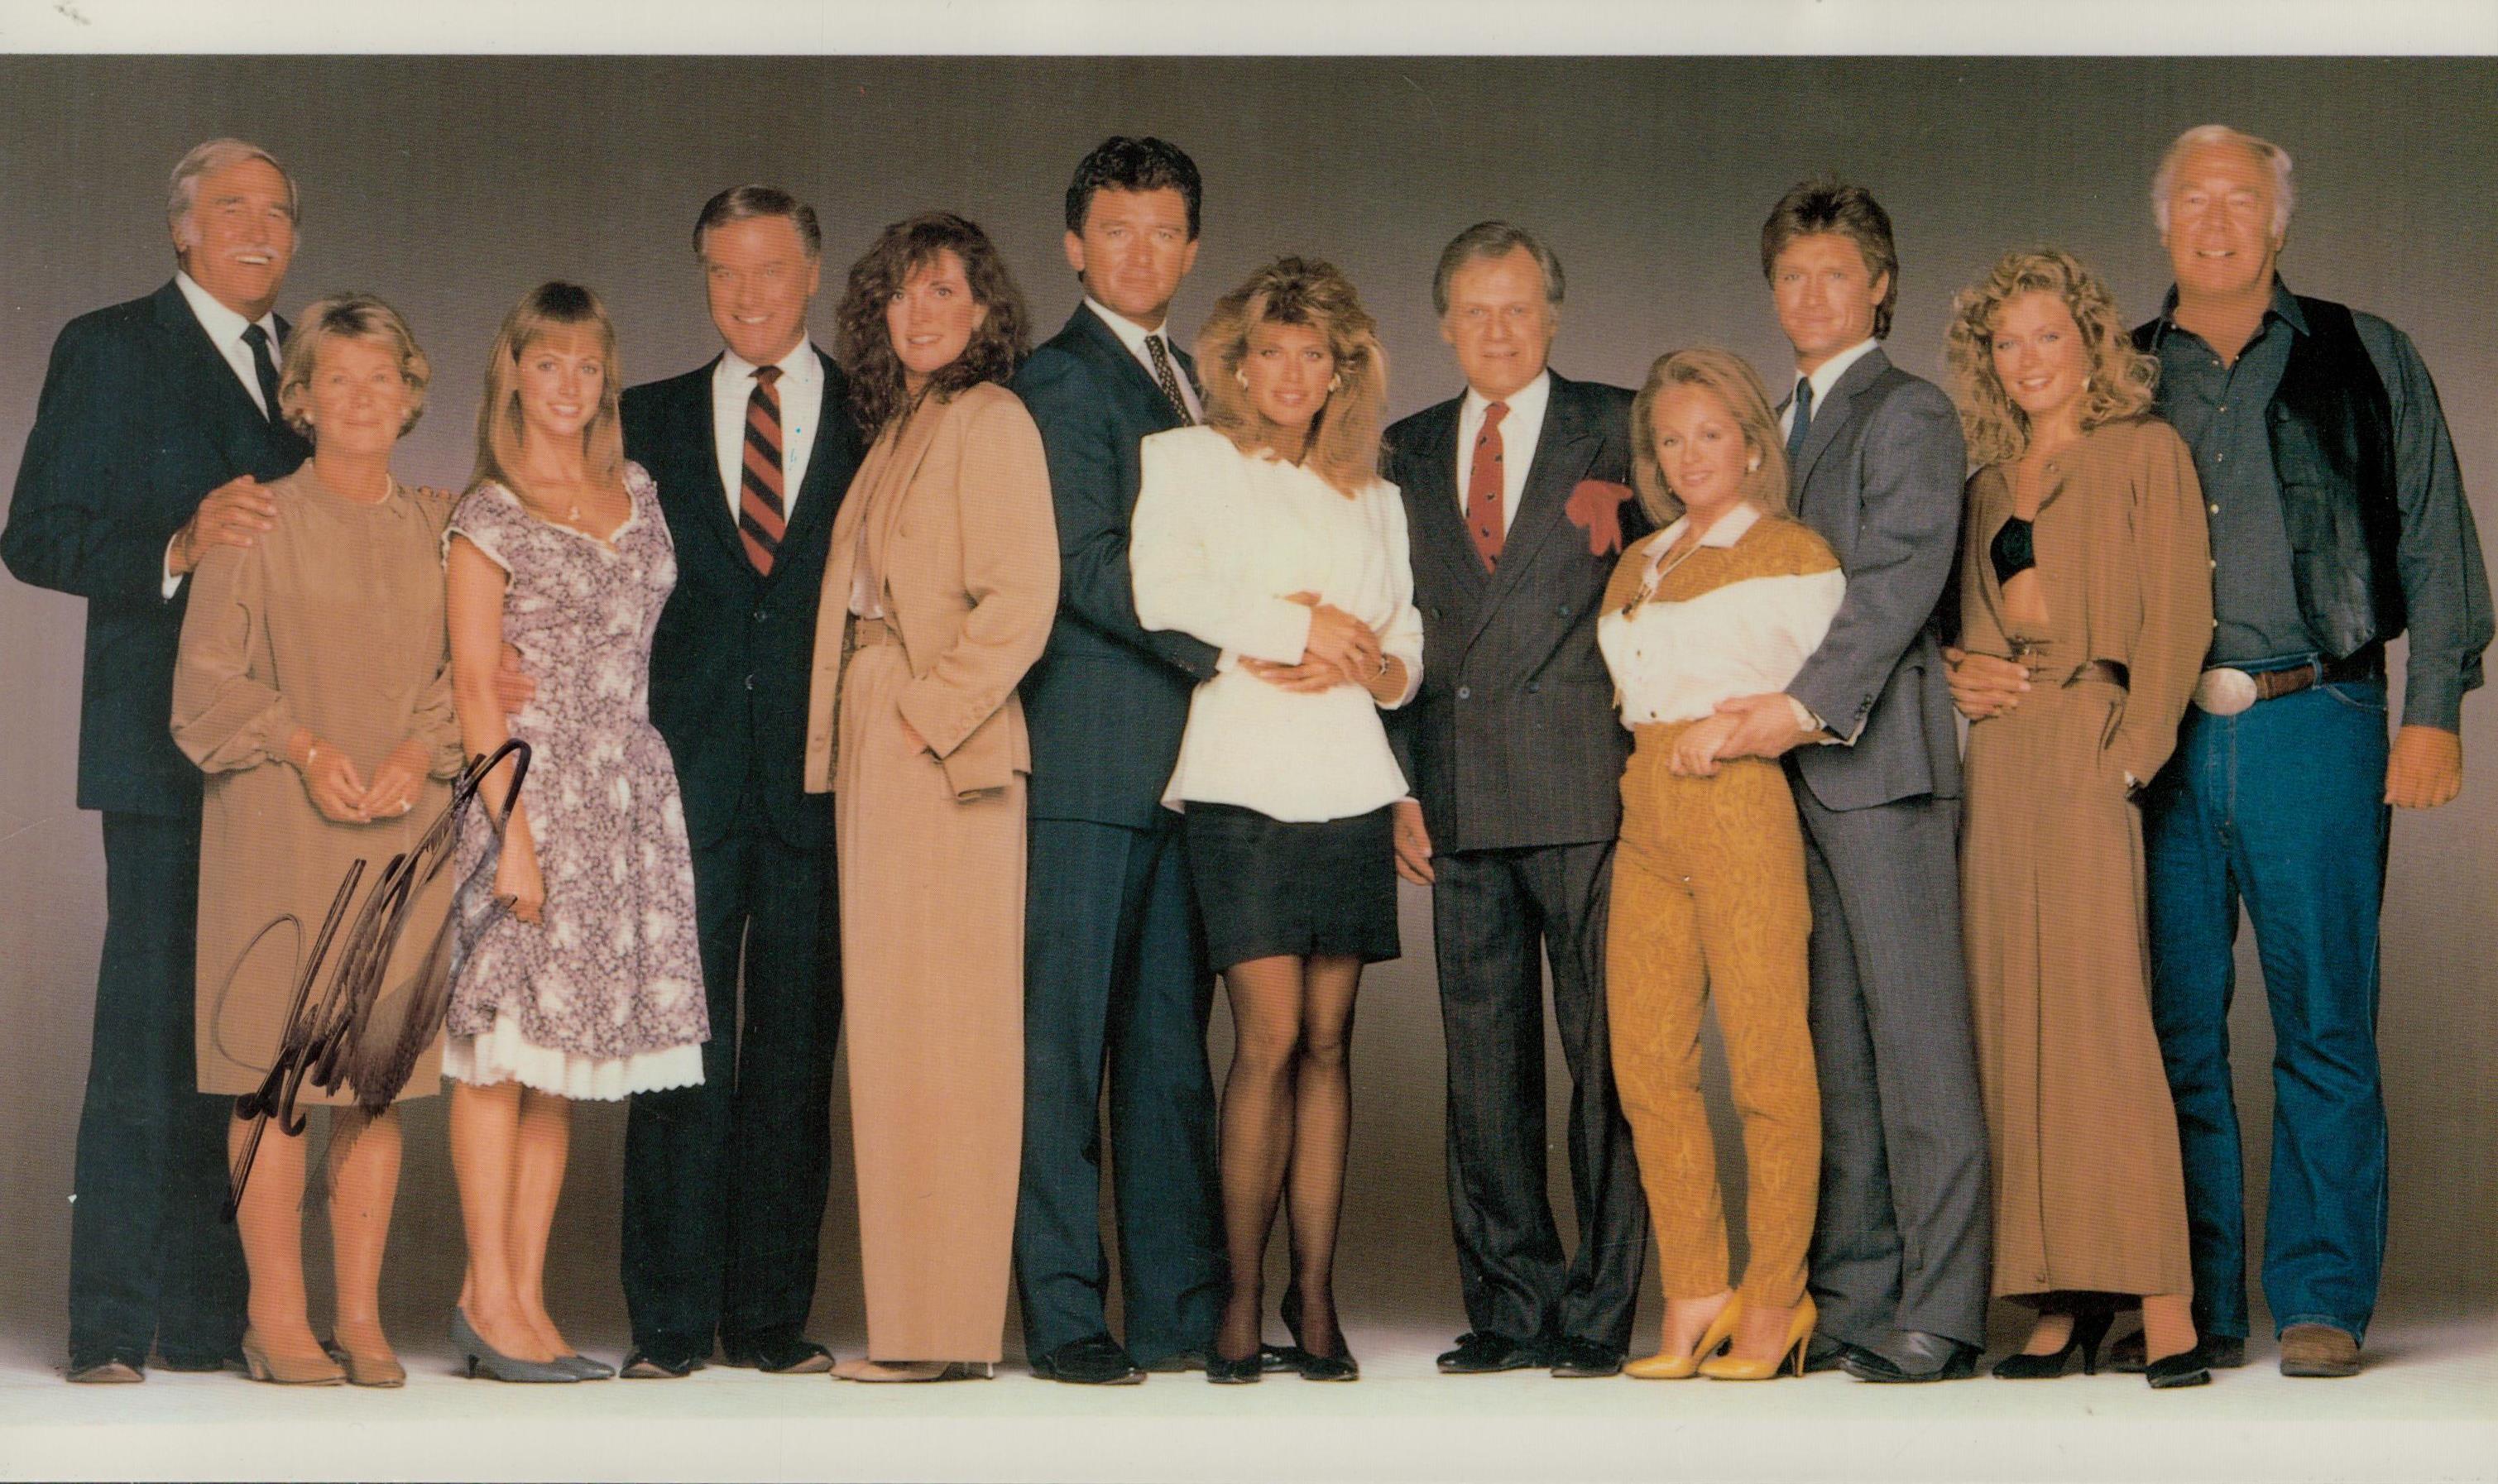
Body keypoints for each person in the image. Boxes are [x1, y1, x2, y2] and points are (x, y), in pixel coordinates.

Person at [1952, 125, 2491, 1380]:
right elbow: (2020, 540)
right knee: (2166, 1025)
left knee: (2322, 1019)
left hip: (2316, 717)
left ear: (2275, 220)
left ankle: (2314, 1297)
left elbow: (2434, 536)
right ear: (2160, 225)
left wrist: (2434, 705)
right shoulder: (2112, 375)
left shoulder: (2364, 355)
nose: (2213, 219)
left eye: (2237, 198)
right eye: (2190, 199)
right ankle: (2186, 1294)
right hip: (2152, 734)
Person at [2, 138, 308, 1383]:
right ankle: (112, 1328)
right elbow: (34, 535)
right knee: (144, 1037)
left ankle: (205, 1318)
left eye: (276, 210)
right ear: (179, 230)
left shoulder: (308, 362)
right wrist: (175, 538)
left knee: (244, 1041)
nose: (255, 226)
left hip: (284, 756)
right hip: (156, 751)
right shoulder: (108, 343)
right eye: (228, 207)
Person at [1705, 180, 1992, 1382]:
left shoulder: (1909, 412)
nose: (1808, 294)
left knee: (1920, 1048)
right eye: (1789, 275)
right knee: (1833, 1051)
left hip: (1875, 770)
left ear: (1877, 282)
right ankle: (1856, 1293)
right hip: (1791, 782)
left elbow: (1894, 584)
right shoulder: (1777, 420)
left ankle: (1943, 1304)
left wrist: (1791, 708)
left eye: (1833, 272)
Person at [1130, 256, 1424, 1385]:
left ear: (1341, 369)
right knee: (1261, 1038)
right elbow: (1164, 590)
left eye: (1316, 353)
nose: (1292, 372)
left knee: (1328, 1041)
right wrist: (1296, 627)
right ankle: (1240, 1297)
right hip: (1241, 771)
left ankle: (1317, 1291)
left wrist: (1373, 661)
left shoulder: (1377, 495)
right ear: (1235, 364)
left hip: (1347, 772)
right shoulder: (1189, 460)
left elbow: (1405, 640)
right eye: (1271, 351)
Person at [167, 293, 457, 1387]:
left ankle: (363, 1315)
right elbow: (204, 691)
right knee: (275, 1080)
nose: (361, 397)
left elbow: (468, 679)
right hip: (277, 826)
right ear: (300, 399)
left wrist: (421, 755)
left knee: (373, 1080)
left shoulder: (440, 525)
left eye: (381, 377)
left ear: (410, 393)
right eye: (336, 377)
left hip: (398, 826)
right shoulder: (255, 520)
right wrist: (298, 743)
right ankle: (276, 1315)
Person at [1378, 223, 1649, 1380]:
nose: (1498, 329)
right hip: (1451, 792)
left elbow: (1675, 585)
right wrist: (1394, 785)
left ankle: (1598, 1309)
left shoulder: (1622, 423)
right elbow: (1385, 624)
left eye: (1519, 307)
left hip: (1589, 784)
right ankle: (1507, 1302)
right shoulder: (1398, 449)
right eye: (1474, 311)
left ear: (1553, 315)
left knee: (1609, 1060)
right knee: (1481, 1071)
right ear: (1442, 323)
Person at [1943, 249, 2215, 1389]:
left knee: (2103, 1019)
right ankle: (2055, 1299)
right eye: (2003, 343)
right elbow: (1962, 634)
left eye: (2045, 336)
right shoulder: (1982, 480)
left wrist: (2135, 753)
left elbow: (2179, 612)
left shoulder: (2143, 451)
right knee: (2014, 1022)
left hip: (2094, 736)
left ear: (2089, 343)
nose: (2025, 360)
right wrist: (1964, 675)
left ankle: (2161, 1297)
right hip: (2003, 759)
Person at [802, 212, 1059, 1383]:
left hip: (936, 749)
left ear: (982, 310)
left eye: (944, 291)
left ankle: (945, 1332)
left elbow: (1022, 598)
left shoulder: (990, 419)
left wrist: (919, 715)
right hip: (880, 736)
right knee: (899, 1041)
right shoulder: (905, 421)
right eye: (901, 293)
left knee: (949, 1045)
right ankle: (915, 1324)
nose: (919, 312)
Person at [610, 185, 862, 1381]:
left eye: (770, 269)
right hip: (679, 784)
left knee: (795, 1053)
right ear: (700, 279)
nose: (749, 294)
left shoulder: (882, 411)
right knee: (677, 1050)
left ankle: (766, 1318)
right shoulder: (641, 418)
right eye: (723, 272)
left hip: (824, 784)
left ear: (813, 270)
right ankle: (667, 1324)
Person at [440, 282, 708, 1383]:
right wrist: (510, 834)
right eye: (544, 363)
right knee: (500, 1052)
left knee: (565, 1064)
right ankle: (483, 1291)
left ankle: (528, 1300)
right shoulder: (488, 511)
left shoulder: (635, 488)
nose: (566, 385)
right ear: (512, 371)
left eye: (585, 366)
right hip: (531, 792)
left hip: (624, 794)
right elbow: (470, 682)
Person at [1009, 136, 1226, 1385]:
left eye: (1163, 231)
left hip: (1183, 770)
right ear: (1073, 243)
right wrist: (1235, 649)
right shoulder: (1059, 380)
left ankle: (1176, 1311)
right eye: (1115, 228)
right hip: (1090, 763)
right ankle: (1065, 1311)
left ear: (1191, 251)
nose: (1140, 252)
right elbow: (1086, 564)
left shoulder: (1191, 375)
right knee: (1063, 1044)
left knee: (1162, 1049)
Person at [1598, 348, 1839, 1383]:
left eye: (1709, 434)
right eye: (1669, 439)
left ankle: (1779, 1298)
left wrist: (1741, 735)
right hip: (1646, 806)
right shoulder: (1637, 560)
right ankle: (1697, 1289)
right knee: (1647, 1061)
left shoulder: (1791, 551)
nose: (1689, 455)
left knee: (1765, 1060)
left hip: (1736, 801)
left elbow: (1827, 695)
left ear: (1750, 442)